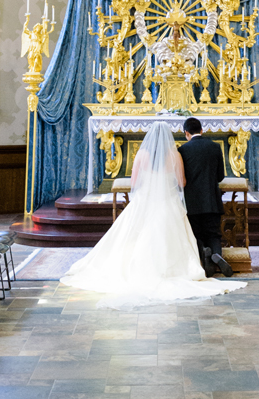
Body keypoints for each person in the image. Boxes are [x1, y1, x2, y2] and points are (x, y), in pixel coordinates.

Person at [59, 125, 244, 300]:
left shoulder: (141, 154)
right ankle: (198, 260)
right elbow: (182, 183)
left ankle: (141, 268)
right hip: (168, 202)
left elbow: (134, 182)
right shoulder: (174, 155)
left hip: (145, 202)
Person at [178, 118, 234, 277]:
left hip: (192, 201)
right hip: (212, 199)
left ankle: (205, 255)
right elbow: (220, 176)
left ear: (186, 133)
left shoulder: (183, 150)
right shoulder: (215, 147)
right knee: (214, 233)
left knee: (196, 233)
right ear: (202, 130)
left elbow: (182, 178)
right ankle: (217, 254)